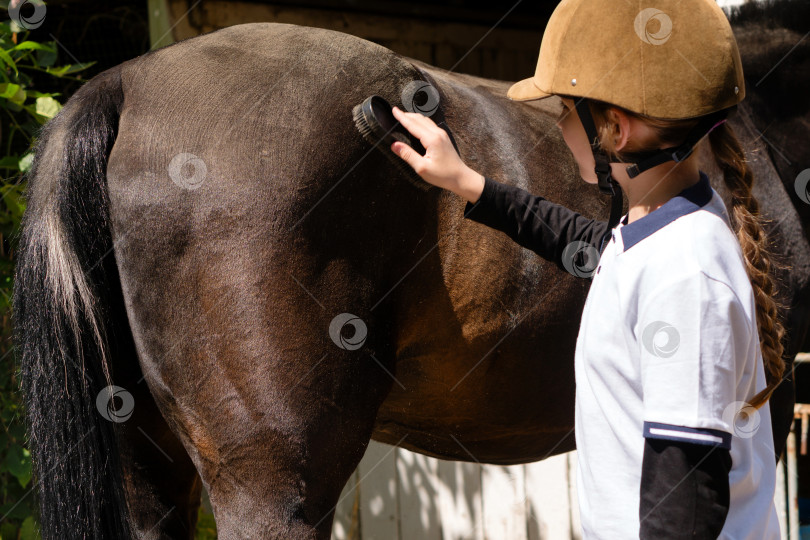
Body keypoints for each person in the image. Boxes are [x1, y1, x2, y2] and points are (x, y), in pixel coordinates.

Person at [389, 0, 786, 538]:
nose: (558, 122)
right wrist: (466, 182)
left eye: (566, 109)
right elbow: (584, 241)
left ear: (615, 131)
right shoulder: (663, 223)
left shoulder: (685, 277)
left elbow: (686, 507)